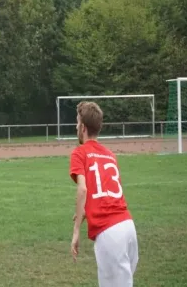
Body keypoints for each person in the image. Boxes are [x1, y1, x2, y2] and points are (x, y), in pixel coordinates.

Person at [69, 101, 138, 287]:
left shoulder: (80, 153)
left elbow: (83, 189)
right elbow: (104, 194)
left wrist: (76, 231)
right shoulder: (109, 155)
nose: (76, 127)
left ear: (83, 127)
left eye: (77, 123)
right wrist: (84, 213)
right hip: (128, 227)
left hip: (109, 234)